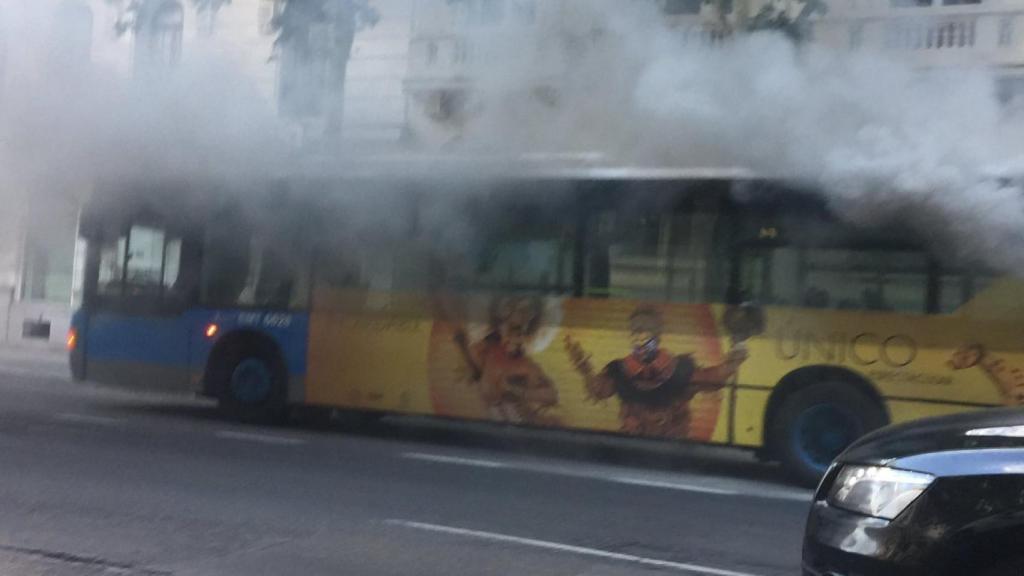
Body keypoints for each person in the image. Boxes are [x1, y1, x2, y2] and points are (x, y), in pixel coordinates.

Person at [564, 305, 747, 438]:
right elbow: (599, 390)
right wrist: (585, 369)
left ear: (658, 334)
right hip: (632, 447)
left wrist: (732, 363)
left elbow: (711, 379)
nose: (641, 335)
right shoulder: (619, 369)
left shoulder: (679, 367)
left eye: (647, 329)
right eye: (636, 329)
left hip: (671, 448)